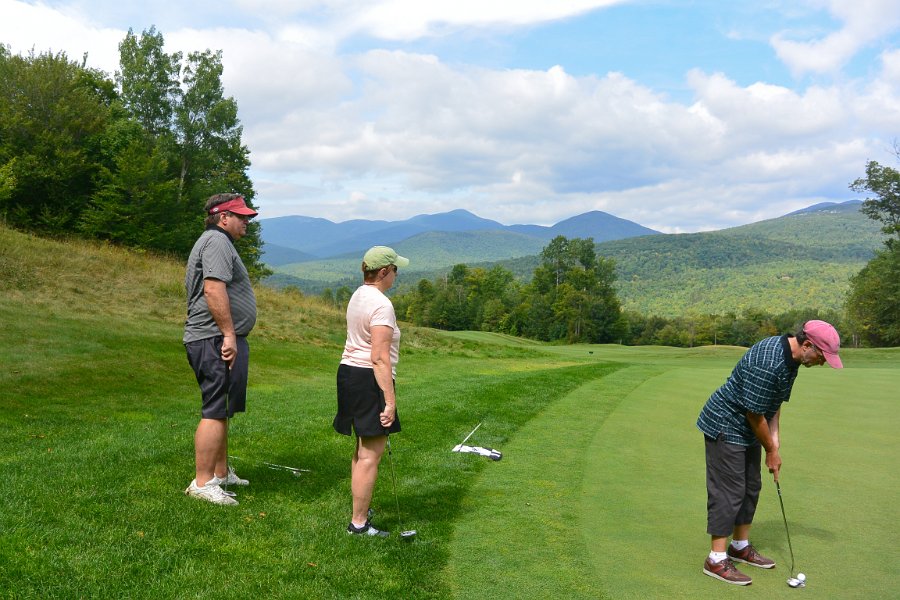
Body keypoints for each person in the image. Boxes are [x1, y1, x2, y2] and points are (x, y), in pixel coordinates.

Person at [697, 320, 843, 585]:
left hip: (749, 427)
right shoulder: (770, 362)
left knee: (751, 486)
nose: (822, 362)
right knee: (729, 491)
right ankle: (715, 559)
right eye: (822, 356)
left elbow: (773, 405)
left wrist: (775, 444)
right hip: (725, 423)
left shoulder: (793, 360)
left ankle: (739, 546)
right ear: (807, 345)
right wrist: (770, 450)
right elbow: (755, 415)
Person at [183, 193, 259, 506]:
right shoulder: (216, 241)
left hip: (219, 337)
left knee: (223, 406)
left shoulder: (220, 242)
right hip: (213, 337)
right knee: (215, 408)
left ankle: (221, 472)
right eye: (241, 216)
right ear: (223, 217)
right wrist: (228, 334)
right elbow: (213, 288)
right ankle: (203, 483)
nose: (247, 222)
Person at [334, 245, 409, 537]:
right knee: (370, 454)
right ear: (383, 272)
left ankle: (360, 512)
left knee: (361, 449)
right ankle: (359, 523)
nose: (396, 275)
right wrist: (389, 401)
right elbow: (379, 358)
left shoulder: (358, 294)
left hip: (349, 373)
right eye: (395, 270)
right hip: (369, 378)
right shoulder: (382, 305)